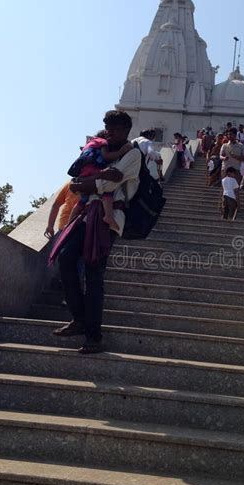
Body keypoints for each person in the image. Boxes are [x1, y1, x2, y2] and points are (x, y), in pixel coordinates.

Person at [51, 110, 141, 354]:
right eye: (107, 127)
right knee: (66, 259)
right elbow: (78, 181)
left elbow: (109, 184)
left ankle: (94, 336)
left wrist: (88, 182)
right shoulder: (102, 151)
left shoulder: (133, 154)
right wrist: (90, 180)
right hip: (85, 214)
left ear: (126, 130)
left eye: (114, 128)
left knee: (93, 274)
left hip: (106, 219)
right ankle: (80, 318)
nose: (109, 132)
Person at [67, 132, 131, 230]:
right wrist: (121, 151)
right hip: (94, 170)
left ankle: (69, 223)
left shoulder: (89, 144)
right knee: (106, 190)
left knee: (82, 200)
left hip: (83, 173)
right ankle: (108, 216)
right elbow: (106, 156)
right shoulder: (102, 141)